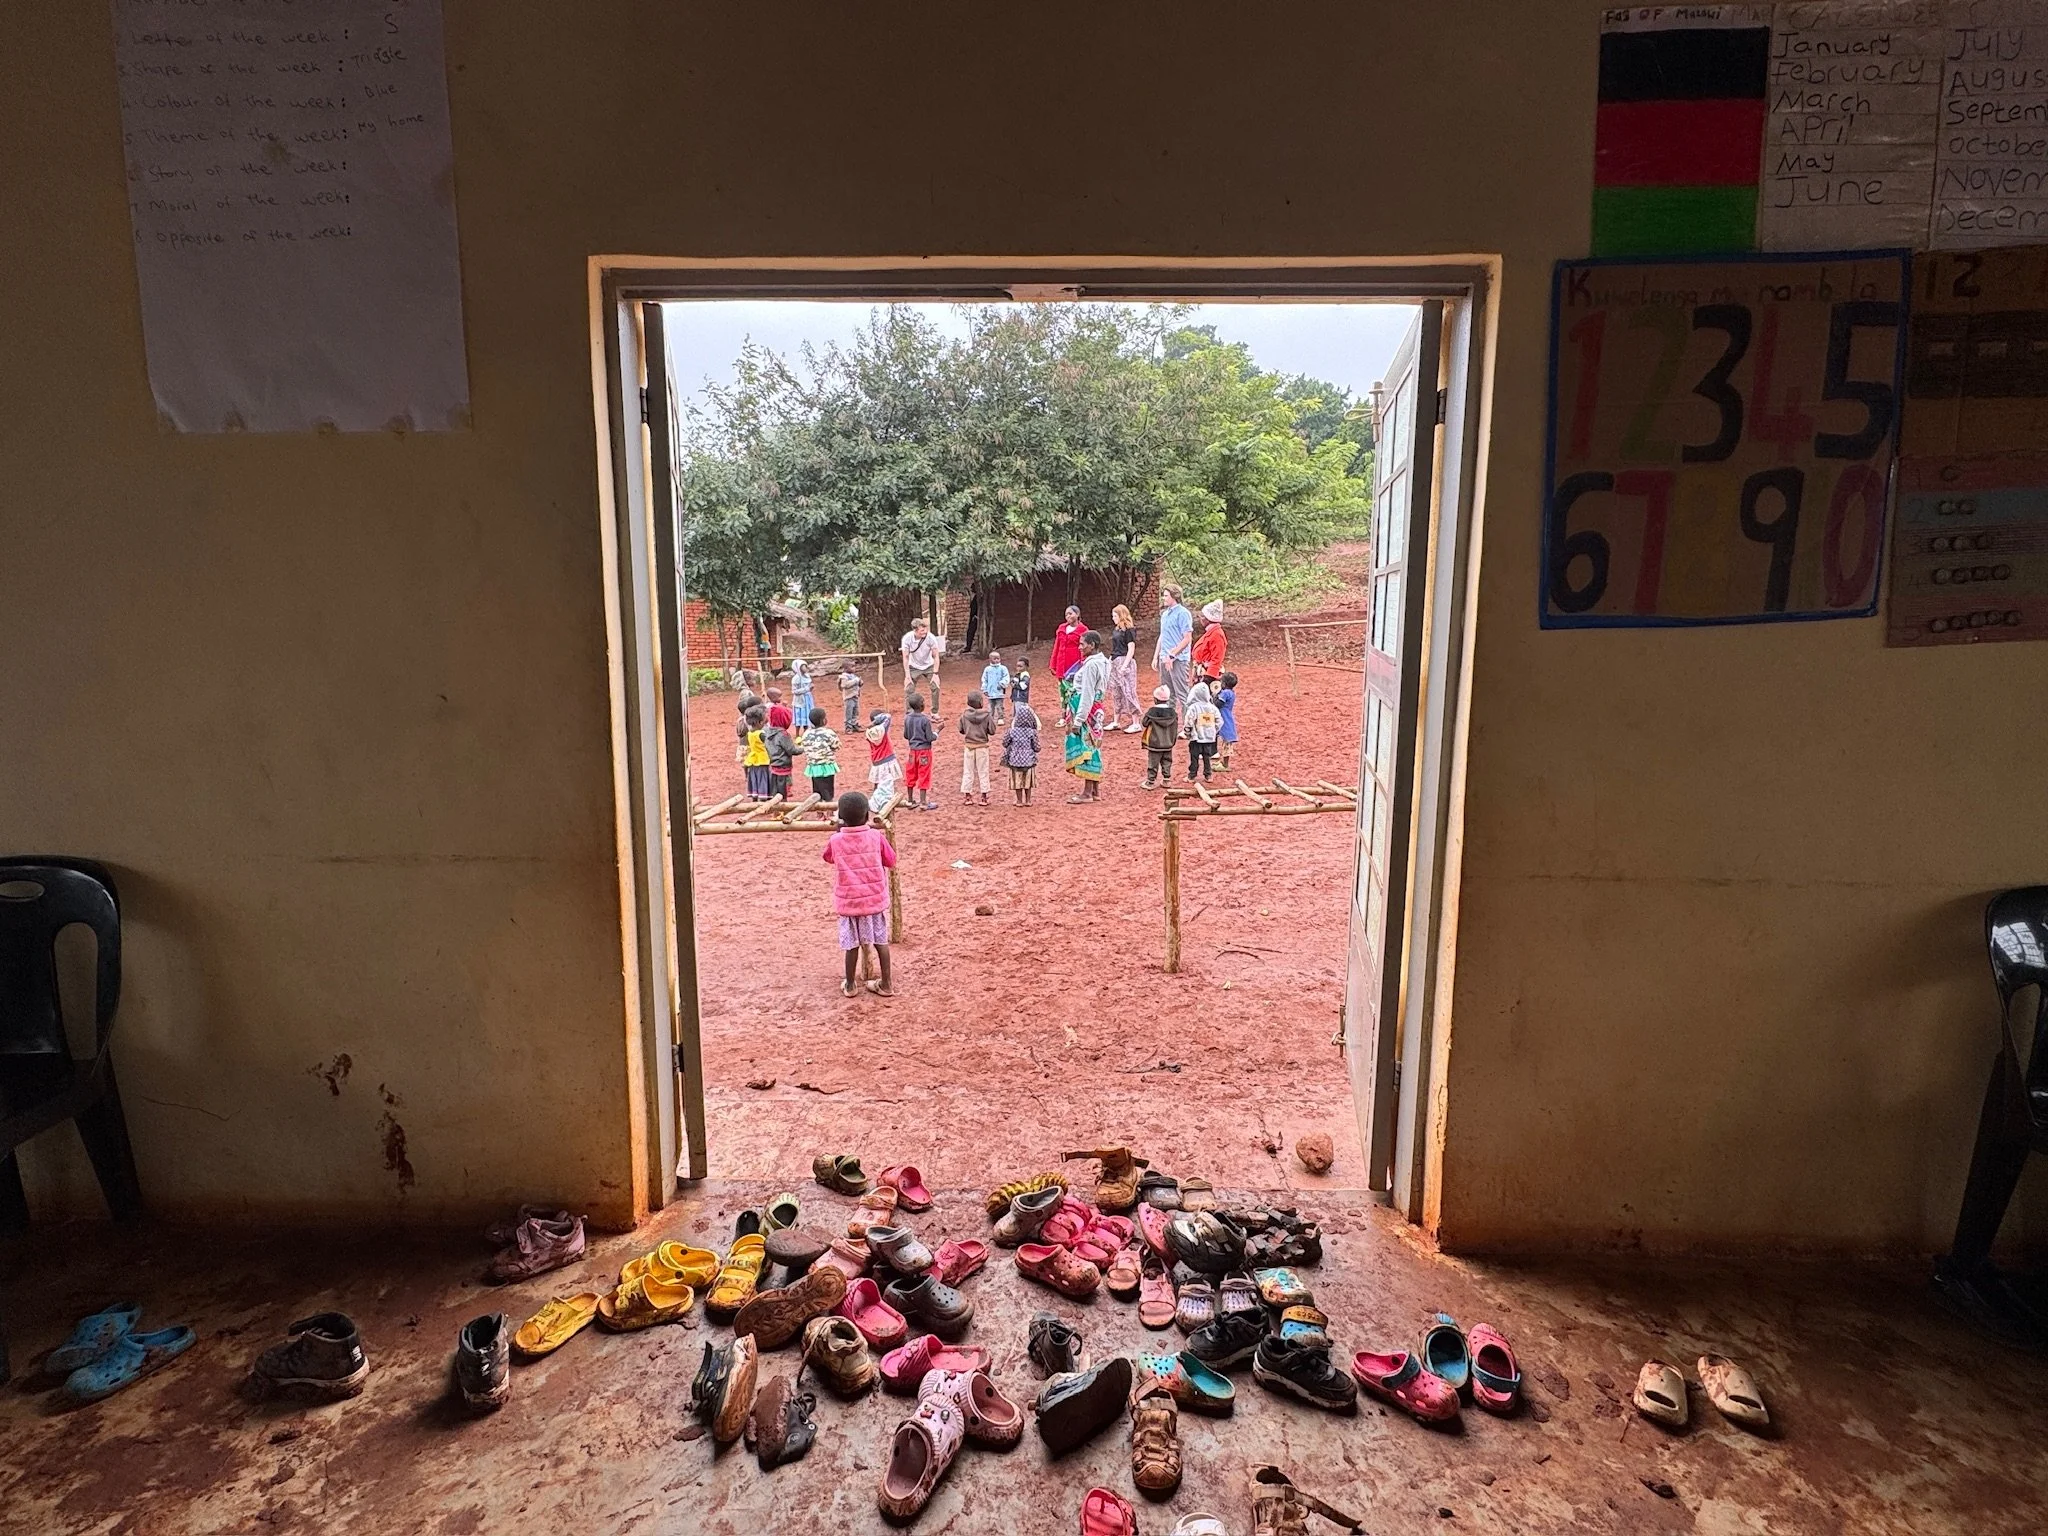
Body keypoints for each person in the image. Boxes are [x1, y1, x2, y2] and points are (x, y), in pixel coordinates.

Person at [823, 790, 895, 997]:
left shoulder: (836, 840)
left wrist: (838, 833)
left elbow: (827, 857)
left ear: (841, 819)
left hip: (850, 903)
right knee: (880, 941)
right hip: (874, 899)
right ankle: (887, 983)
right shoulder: (875, 836)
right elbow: (891, 860)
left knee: (851, 945)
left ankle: (851, 985)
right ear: (866, 816)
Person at [1063, 630, 1111, 803]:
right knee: (1094, 746)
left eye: (1083, 644)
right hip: (1096, 709)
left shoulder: (1091, 665)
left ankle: (1087, 792)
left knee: (1087, 749)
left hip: (1087, 710)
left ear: (1092, 645)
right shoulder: (1103, 662)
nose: (1080, 647)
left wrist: (1078, 720)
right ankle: (1095, 789)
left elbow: (1087, 694)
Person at [1154, 583, 1193, 711]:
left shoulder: (1183, 613)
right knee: (1167, 693)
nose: (1163, 598)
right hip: (1164, 658)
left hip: (1178, 659)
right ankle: (1169, 726)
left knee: (1182, 694)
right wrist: (1156, 656)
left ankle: (1187, 728)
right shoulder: (1165, 614)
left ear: (1174, 596)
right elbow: (1162, 636)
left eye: (1166, 596)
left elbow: (1187, 638)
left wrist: (1173, 654)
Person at [899, 618, 945, 715]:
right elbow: (905, 657)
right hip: (913, 666)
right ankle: (910, 713)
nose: (925, 632)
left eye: (925, 629)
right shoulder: (907, 639)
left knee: (935, 686)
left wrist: (935, 673)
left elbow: (936, 656)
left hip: (929, 665)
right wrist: (907, 675)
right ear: (915, 630)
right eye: (922, 630)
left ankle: (934, 712)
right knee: (909, 688)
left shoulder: (931, 638)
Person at [901, 693, 938, 811]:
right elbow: (930, 737)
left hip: (913, 751)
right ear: (922, 706)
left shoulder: (907, 718)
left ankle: (910, 800)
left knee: (911, 773)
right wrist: (938, 731)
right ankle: (923, 802)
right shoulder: (925, 720)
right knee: (924, 774)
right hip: (924, 751)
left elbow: (906, 735)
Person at [1109, 603, 1142, 732]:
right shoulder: (1117, 630)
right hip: (1115, 661)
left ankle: (1136, 722)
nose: (1113, 618)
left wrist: (1125, 665)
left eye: (1115, 615)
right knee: (1116, 691)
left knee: (1129, 691)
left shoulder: (1129, 630)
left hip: (1125, 662)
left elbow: (1131, 649)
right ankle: (1116, 720)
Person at [957, 691, 993, 806]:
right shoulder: (987, 715)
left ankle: (968, 797)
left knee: (968, 771)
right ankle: (984, 797)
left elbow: (961, 729)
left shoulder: (964, 715)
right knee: (983, 772)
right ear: (980, 702)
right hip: (982, 746)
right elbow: (992, 730)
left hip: (969, 746)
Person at [1140, 686, 1180, 790]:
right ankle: (1166, 780)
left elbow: (1144, 723)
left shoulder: (1152, 712)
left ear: (1155, 699)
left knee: (1153, 762)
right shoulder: (1173, 713)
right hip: (1168, 743)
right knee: (1167, 761)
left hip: (1155, 743)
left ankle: (1151, 781)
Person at [1001, 701, 1040, 807]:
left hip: (1014, 760)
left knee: (1017, 780)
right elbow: (1037, 748)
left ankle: (1019, 801)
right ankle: (1028, 800)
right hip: (1029, 760)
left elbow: (1004, 743)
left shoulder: (1012, 731)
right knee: (1028, 781)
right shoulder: (1032, 732)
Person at [1183, 679, 1222, 783]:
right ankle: (1208, 775)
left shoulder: (1193, 708)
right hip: (1209, 738)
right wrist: (1214, 730)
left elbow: (1189, 721)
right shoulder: (1212, 708)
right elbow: (1219, 721)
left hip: (1196, 738)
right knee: (1207, 757)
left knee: (1194, 757)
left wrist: (1187, 732)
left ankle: (1191, 776)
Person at [865, 710, 901, 816]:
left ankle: (875, 802)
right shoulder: (882, 729)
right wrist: (877, 721)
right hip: (887, 759)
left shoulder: (868, 732)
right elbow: (888, 717)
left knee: (877, 783)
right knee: (888, 782)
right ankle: (886, 803)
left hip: (876, 761)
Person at [800, 706, 839, 802]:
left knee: (817, 789)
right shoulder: (828, 733)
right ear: (823, 720)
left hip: (814, 766)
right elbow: (836, 745)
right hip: (827, 765)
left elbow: (804, 746)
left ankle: (819, 812)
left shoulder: (806, 734)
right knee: (828, 788)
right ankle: (829, 809)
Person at [1048, 605, 1086, 700]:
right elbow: (1056, 647)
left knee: (1074, 688)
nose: (1068, 616)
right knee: (1062, 689)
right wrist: (1053, 664)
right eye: (1066, 615)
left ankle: (1073, 710)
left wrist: (1083, 663)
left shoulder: (1083, 630)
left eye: (1070, 614)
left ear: (1077, 614)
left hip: (1075, 664)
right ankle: (1064, 711)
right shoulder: (1061, 629)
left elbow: (1085, 648)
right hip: (1062, 663)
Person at [762, 712, 798, 801]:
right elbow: (791, 750)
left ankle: (776, 812)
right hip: (784, 767)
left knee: (775, 791)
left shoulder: (767, 732)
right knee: (783, 792)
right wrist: (804, 748)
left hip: (773, 766)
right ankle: (783, 811)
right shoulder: (783, 734)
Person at [740, 703, 772, 800]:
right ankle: (763, 795)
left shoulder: (750, 733)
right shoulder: (761, 734)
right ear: (759, 722)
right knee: (763, 777)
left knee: (754, 776)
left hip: (753, 758)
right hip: (763, 758)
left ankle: (755, 794)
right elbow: (768, 745)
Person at [1192, 601, 1228, 683]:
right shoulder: (1211, 632)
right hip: (1204, 672)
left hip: (1209, 676)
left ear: (1208, 619)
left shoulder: (1217, 634)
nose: (1200, 619)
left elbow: (1217, 659)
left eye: (1202, 616)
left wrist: (1209, 677)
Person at [981, 650, 1011, 729]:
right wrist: (985, 689)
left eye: (998, 658)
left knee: (999, 706)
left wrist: (1002, 684)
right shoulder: (987, 669)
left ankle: (1000, 718)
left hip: (999, 692)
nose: (997, 660)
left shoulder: (1003, 668)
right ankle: (990, 719)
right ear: (990, 659)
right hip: (990, 692)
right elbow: (984, 679)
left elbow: (1006, 677)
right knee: (990, 706)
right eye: (995, 658)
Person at [1215, 670, 1239, 771]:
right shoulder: (1231, 693)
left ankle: (1225, 765)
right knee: (1225, 740)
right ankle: (1223, 762)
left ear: (1224, 683)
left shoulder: (1225, 693)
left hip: (1224, 718)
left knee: (1226, 742)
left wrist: (1214, 696)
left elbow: (1218, 704)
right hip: (1226, 716)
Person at [839, 662, 864, 732]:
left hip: (855, 696)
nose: (854, 668)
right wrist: (855, 681)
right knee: (849, 712)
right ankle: (848, 727)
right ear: (846, 669)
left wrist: (860, 682)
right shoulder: (844, 677)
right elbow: (844, 685)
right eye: (852, 667)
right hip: (849, 697)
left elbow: (858, 684)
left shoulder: (853, 676)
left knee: (855, 711)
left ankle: (854, 724)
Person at [790, 658, 814, 726]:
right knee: (800, 713)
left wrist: (810, 688)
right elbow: (794, 691)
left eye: (805, 666)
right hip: (800, 699)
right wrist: (806, 689)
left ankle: (806, 728)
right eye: (803, 667)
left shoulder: (807, 676)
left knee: (807, 712)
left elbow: (809, 687)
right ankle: (797, 732)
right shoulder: (796, 678)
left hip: (808, 698)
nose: (805, 668)